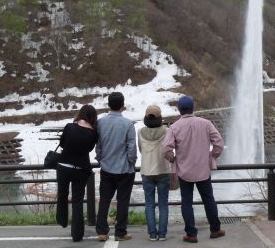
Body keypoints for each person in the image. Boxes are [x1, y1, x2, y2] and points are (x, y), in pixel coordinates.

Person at [162, 95, 225, 244]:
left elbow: (165, 149)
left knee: (187, 202)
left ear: (179, 109)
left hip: (184, 170)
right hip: (203, 169)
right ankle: (215, 229)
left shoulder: (175, 127)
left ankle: (191, 234)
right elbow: (219, 144)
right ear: (193, 108)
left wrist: (173, 159)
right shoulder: (206, 123)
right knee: (208, 199)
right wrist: (212, 156)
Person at [95, 92, 137, 242]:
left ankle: (102, 231)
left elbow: (98, 146)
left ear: (109, 105)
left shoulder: (100, 123)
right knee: (123, 201)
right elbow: (131, 148)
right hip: (124, 169)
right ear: (122, 106)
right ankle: (120, 232)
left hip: (106, 167)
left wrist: (100, 159)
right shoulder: (128, 124)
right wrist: (131, 162)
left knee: (104, 200)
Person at [56, 105, 98, 242]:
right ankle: (77, 235)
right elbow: (89, 149)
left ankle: (62, 220)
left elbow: (62, 144)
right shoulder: (93, 133)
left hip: (64, 166)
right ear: (93, 117)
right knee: (77, 201)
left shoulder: (69, 126)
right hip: (81, 169)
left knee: (62, 194)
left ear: (80, 114)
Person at [138, 105, 172, 241]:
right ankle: (162, 234)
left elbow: (141, 150)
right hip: (163, 170)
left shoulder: (140, 132)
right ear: (160, 118)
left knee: (149, 204)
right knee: (163, 204)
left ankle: (152, 234)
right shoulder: (167, 131)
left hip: (147, 171)